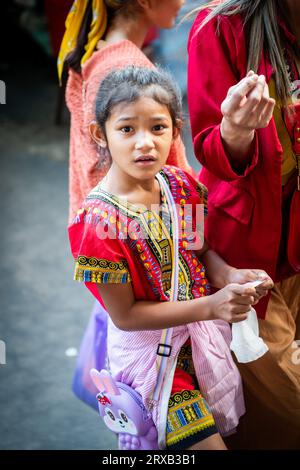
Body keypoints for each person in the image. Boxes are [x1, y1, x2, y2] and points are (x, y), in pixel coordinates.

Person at [68, 65, 273, 450]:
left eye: (158, 128)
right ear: (101, 134)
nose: (144, 142)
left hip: (201, 345)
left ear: (175, 131)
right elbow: (126, 316)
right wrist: (211, 306)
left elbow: (201, 252)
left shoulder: (180, 185)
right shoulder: (98, 224)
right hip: (152, 360)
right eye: (127, 129)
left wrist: (230, 275)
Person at [58, 0, 195, 408]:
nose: (183, 1)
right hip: (143, 269)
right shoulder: (125, 70)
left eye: (159, 127)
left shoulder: (105, 54)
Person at [187, 0, 300, 449]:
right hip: (246, 257)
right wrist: (235, 130)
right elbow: (209, 148)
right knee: (286, 408)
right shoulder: (220, 26)